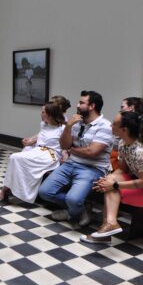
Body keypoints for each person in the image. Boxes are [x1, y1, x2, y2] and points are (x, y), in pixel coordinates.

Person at [80, 112, 143, 244]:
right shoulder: (123, 143)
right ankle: (108, 228)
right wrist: (109, 179)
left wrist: (114, 185)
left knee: (113, 188)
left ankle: (109, 225)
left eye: (114, 124)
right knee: (109, 183)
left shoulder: (141, 151)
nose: (110, 125)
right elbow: (122, 170)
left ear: (124, 130)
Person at [38, 91, 114, 227]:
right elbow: (64, 145)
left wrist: (71, 149)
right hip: (71, 163)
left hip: (93, 168)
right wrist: (68, 126)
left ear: (92, 106)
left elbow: (92, 152)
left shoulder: (105, 126)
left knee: (73, 199)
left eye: (81, 103)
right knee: (45, 192)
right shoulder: (76, 123)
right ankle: (83, 207)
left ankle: (72, 212)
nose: (77, 105)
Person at [0, 102, 65, 203]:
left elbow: (65, 146)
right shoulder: (44, 125)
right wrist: (29, 141)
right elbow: (40, 136)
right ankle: (7, 188)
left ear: (50, 114)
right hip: (38, 151)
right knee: (14, 157)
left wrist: (65, 155)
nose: (41, 114)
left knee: (18, 158)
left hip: (50, 155)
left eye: (43, 112)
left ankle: (7, 189)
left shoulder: (62, 129)